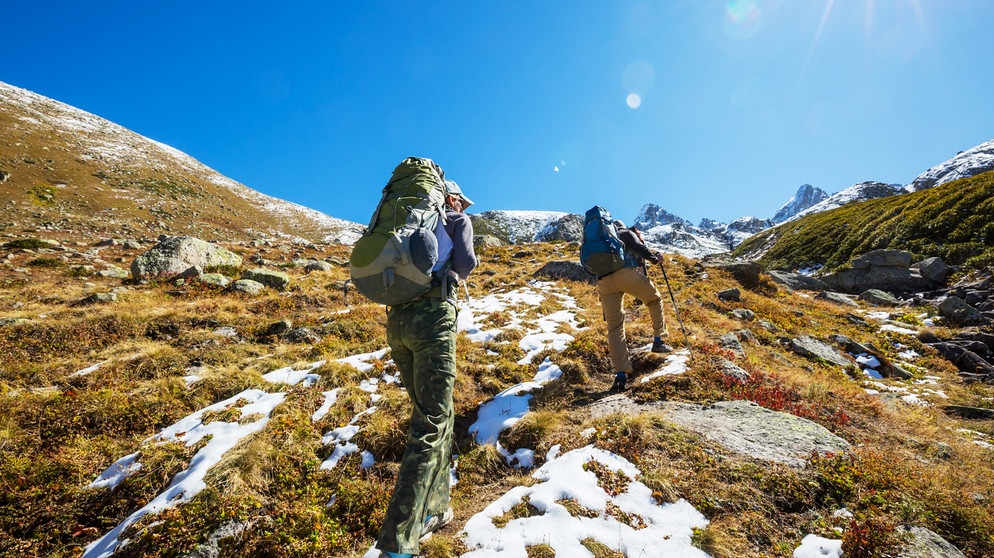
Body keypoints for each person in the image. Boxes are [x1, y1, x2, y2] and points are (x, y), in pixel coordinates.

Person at [375, 179, 478, 558]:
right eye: (461, 201)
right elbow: (465, 265)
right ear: (449, 198)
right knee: (431, 423)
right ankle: (398, 543)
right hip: (433, 319)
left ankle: (435, 509)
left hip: (397, 323)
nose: (464, 207)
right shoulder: (456, 221)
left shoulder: (406, 224)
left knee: (437, 415)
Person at [597, 219, 672, 393]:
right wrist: (655, 259)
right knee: (654, 300)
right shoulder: (625, 233)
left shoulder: (601, 240)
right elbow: (640, 248)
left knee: (615, 327)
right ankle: (658, 340)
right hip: (626, 274)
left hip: (604, 282)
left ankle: (621, 375)